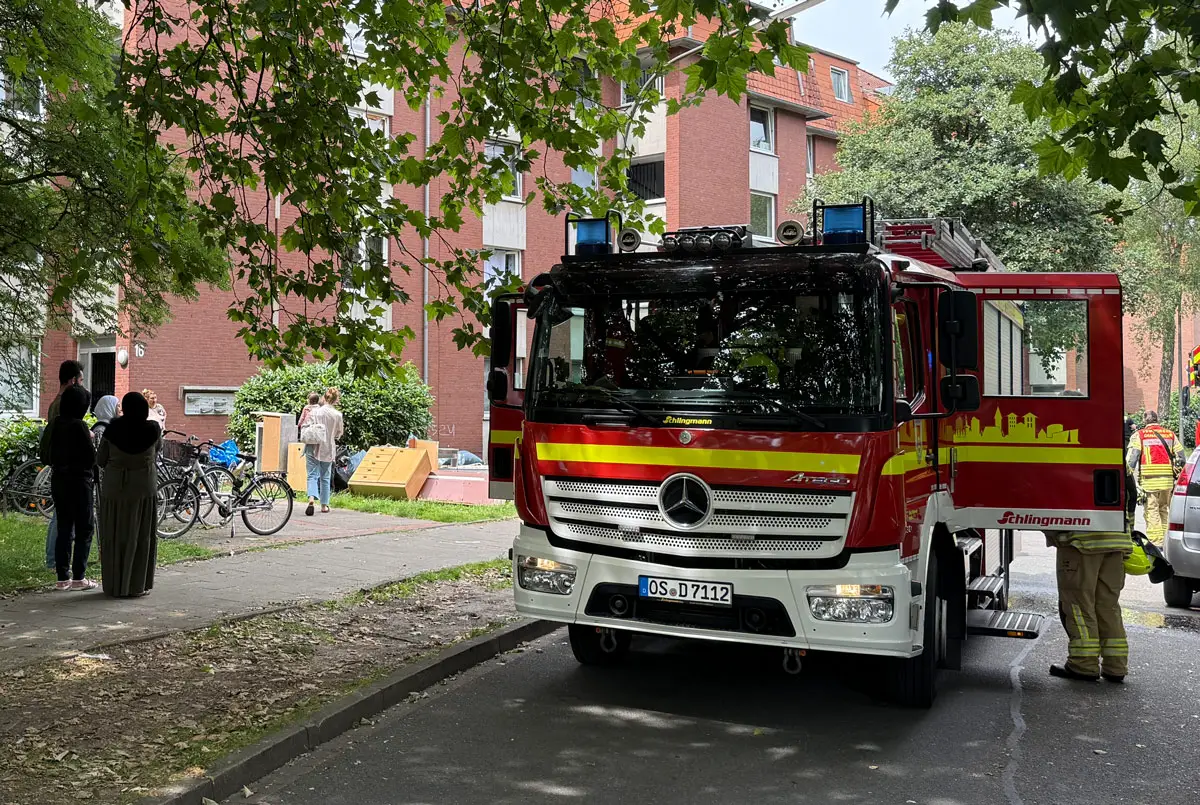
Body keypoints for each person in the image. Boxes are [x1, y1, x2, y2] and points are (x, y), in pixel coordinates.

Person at [1045, 477, 1135, 683]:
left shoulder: (1072, 459)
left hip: (1081, 542)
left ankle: (1083, 664)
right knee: (1108, 606)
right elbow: (1130, 499)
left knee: (1079, 604)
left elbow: (1053, 497)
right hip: (1117, 541)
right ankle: (1116, 666)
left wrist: (1053, 533)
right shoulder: (1120, 461)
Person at [96, 392, 163, 598]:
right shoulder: (153, 429)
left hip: (115, 491)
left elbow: (100, 459)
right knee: (141, 535)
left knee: (115, 535)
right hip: (144, 489)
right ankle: (137, 585)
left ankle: (115, 585)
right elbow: (157, 451)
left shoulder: (111, 430)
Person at [47, 385, 97, 591]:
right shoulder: (79, 426)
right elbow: (90, 457)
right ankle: (79, 577)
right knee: (85, 528)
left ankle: (61, 577)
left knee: (64, 528)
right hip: (80, 482)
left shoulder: (56, 424)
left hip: (59, 479)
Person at [40, 360, 85, 570]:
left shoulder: (55, 403)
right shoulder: (62, 405)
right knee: (62, 517)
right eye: (81, 380)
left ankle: (56, 560)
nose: (83, 385)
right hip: (67, 469)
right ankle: (53, 560)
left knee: (62, 516)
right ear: (72, 380)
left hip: (62, 468)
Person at [1127, 411, 1184, 546]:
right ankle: (1166, 541)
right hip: (1167, 481)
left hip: (1150, 482)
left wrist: (1127, 477)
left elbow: (1132, 459)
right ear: (1157, 419)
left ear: (1144, 421)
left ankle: (1156, 543)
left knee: (1151, 511)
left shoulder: (1139, 435)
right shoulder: (1170, 434)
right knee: (1164, 509)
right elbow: (1181, 458)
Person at [303, 387, 344, 516]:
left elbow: (305, 425)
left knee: (312, 475)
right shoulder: (338, 415)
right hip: (328, 447)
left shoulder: (315, 412)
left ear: (324, 398)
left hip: (312, 445)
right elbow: (339, 433)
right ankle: (324, 505)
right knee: (325, 477)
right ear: (336, 400)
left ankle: (311, 499)